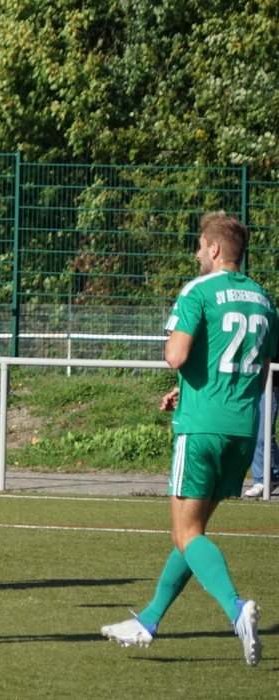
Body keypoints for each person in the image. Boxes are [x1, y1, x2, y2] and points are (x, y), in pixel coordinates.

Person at [100, 211, 275, 666]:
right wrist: (193, 385)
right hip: (243, 429)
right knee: (190, 533)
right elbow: (255, 370)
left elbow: (176, 355)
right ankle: (148, 621)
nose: (197, 254)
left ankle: (236, 609)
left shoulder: (198, 290)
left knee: (186, 532)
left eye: (199, 246)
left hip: (200, 427)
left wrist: (183, 374)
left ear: (215, 248)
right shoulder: (263, 299)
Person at [244, 387, 279, 498]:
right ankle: (266, 478)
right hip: (257, 388)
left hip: (270, 387)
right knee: (259, 435)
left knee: (263, 435)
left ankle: (267, 478)